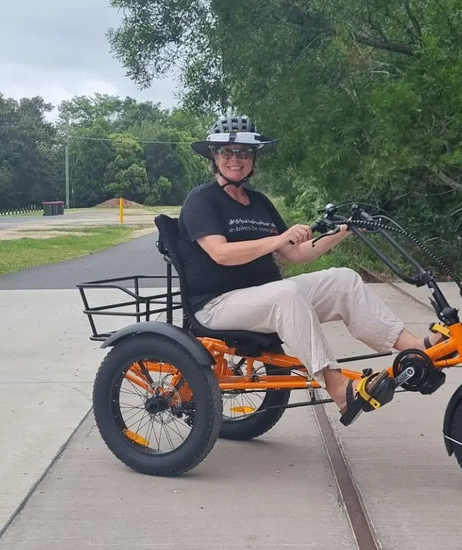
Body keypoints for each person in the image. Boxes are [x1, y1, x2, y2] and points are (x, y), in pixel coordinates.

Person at [176, 115, 443, 425]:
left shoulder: (259, 202)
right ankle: (340, 389)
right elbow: (220, 254)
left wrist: (345, 230)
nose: (236, 159)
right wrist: (276, 238)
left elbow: (297, 253)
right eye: (228, 152)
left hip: (263, 297)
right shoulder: (202, 201)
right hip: (217, 304)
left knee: (343, 279)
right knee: (286, 293)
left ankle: (413, 348)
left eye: (244, 153)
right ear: (215, 156)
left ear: (254, 158)